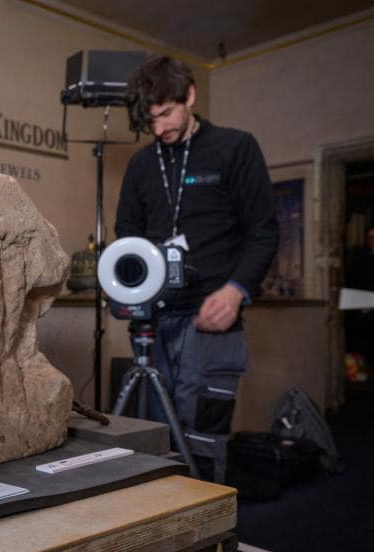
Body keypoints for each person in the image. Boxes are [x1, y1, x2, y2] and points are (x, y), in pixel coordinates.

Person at [115, 54, 279, 435]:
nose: (158, 128)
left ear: (190, 96)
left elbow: (264, 231)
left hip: (212, 314)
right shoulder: (141, 166)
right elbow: (129, 237)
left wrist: (236, 291)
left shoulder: (235, 148)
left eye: (166, 113)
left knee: (202, 435)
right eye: (149, 120)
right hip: (154, 318)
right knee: (156, 434)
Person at [346, 225, 374, 379]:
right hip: (363, 306)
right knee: (364, 341)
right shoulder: (361, 260)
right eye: (370, 237)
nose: (373, 240)